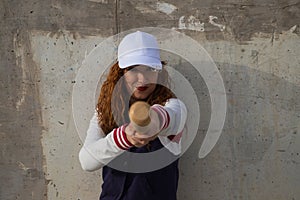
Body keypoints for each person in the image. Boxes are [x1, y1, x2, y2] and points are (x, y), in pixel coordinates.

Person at [79, 31, 187, 200]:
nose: (142, 79)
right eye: (133, 69)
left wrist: (153, 122)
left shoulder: (173, 105)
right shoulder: (106, 111)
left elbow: (169, 117)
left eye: (150, 69)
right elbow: (86, 161)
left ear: (159, 72)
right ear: (121, 72)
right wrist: (123, 138)